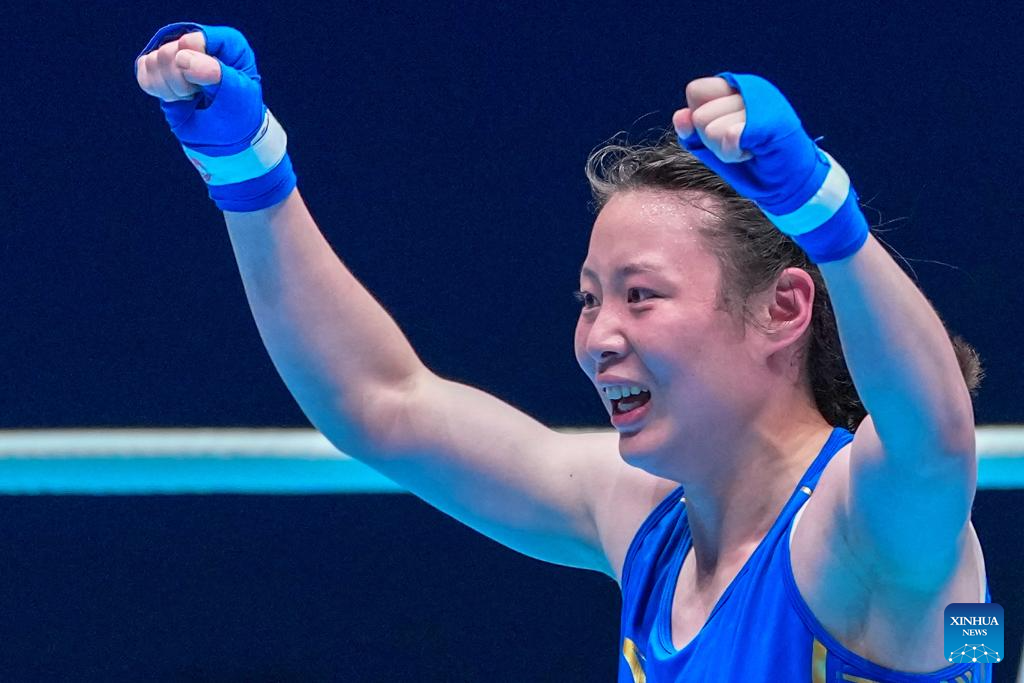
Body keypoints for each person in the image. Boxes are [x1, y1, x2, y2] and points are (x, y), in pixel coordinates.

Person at [136, 23, 993, 681]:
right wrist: (246, 172)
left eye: (640, 295)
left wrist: (824, 213)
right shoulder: (648, 522)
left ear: (783, 309)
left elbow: (936, 438)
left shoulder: (862, 529)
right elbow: (382, 403)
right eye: (589, 299)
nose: (598, 338)